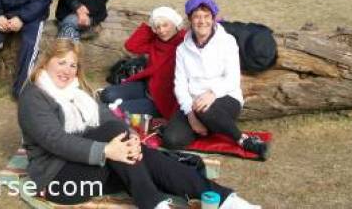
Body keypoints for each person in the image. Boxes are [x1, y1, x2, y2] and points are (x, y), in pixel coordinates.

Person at [18, 38, 261, 209]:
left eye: (73, 65)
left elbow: (106, 115)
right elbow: (55, 140)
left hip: (93, 169)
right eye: (61, 62)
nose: (68, 70)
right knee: (118, 142)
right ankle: (152, 202)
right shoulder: (34, 95)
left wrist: (128, 136)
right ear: (45, 63)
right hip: (60, 180)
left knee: (138, 151)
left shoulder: (75, 91)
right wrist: (106, 150)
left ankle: (225, 199)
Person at [162, 0, 268, 160]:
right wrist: (190, 115)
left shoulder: (227, 42)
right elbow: (180, 85)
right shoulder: (182, 49)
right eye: (197, 16)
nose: (202, 21)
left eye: (206, 16)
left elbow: (232, 78)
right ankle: (209, 127)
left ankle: (243, 139)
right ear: (190, 19)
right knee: (171, 140)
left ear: (213, 18)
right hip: (194, 103)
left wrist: (211, 94)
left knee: (206, 109)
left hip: (225, 97)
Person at [100, 6, 185, 119]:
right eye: (157, 27)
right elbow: (131, 45)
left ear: (175, 24)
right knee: (107, 94)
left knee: (114, 111)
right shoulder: (156, 41)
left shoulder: (183, 42)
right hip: (146, 88)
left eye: (165, 25)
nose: (162, 31)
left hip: (160, 101)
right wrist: (150, 27)